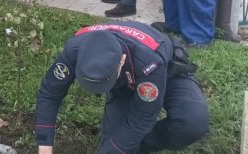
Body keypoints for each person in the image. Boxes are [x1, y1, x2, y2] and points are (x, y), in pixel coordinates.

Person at [35, 21, 209, 153]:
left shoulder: (150, 61)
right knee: (118, 144)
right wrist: (44, 146)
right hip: (124, 84)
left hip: (167, 72)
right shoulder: (75, 49)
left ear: (122, 61)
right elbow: (49, 93)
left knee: (192, 122)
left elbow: (144, 115)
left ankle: (142, 145)